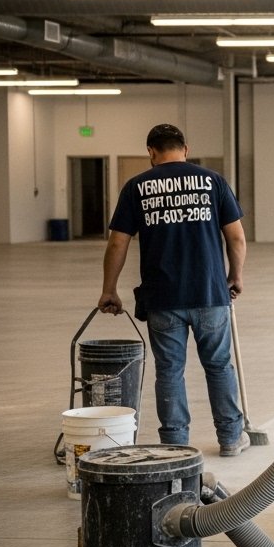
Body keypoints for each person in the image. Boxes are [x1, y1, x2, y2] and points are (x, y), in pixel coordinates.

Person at [98, 124, 249, 456]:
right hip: (210, 293)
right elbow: (236, 237)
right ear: (186, 148)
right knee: (219, 365)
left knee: (169, 370)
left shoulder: (136, 187)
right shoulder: (213, 182)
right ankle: (230, 438)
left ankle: (176, 444)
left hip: (162, 298)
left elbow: (117, 244)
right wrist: (235, 276)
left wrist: (109, 289)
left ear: (151, 151)